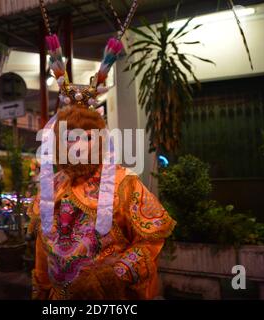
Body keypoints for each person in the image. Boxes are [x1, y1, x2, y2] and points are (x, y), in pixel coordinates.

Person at [26, 28, 176, 299]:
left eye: (86, 138)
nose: (78, 146)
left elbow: (151, 238)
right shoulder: (51, 186)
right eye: (69, 139)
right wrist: (41, 289)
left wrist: (115, 274)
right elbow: (42, 247)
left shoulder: (123, 182)